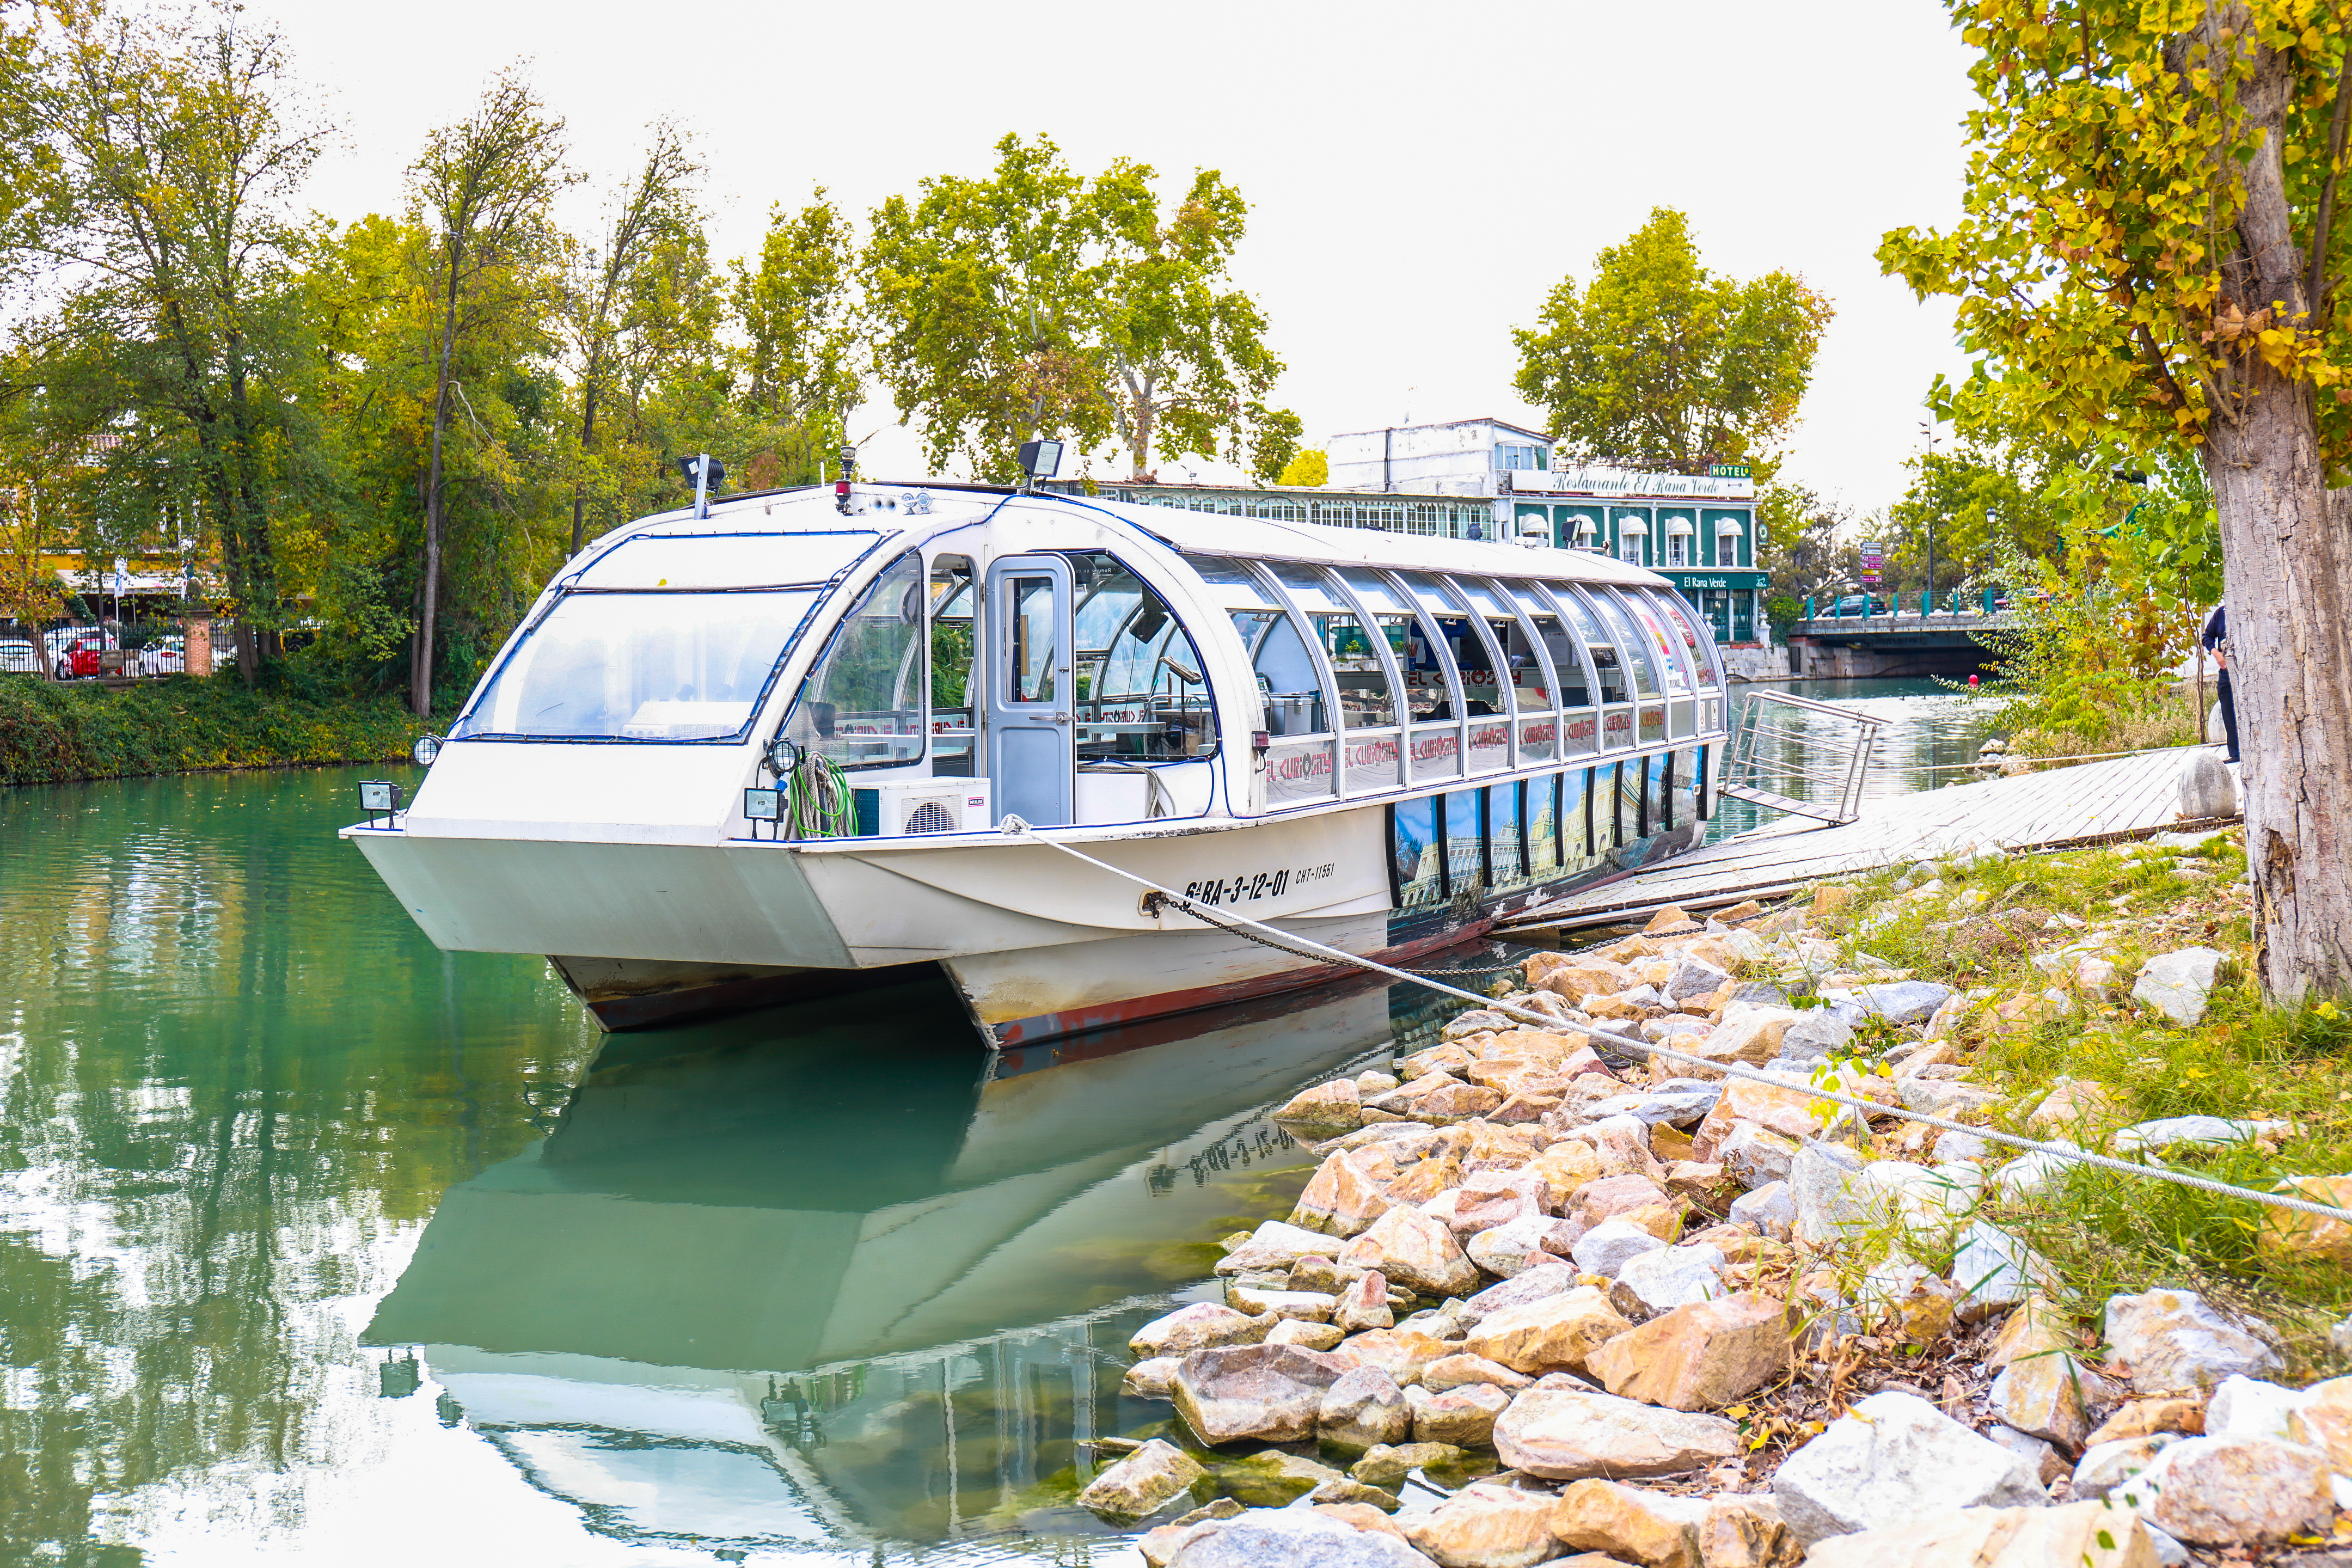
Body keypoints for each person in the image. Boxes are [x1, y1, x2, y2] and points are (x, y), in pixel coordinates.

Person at [2200, 604, 2238, 763]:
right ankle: (2235, 753)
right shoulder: (2221, 613)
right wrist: (2216, 653)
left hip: (2248, 671)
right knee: (2228, 711)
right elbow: (2206, 636)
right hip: (2226, 672)